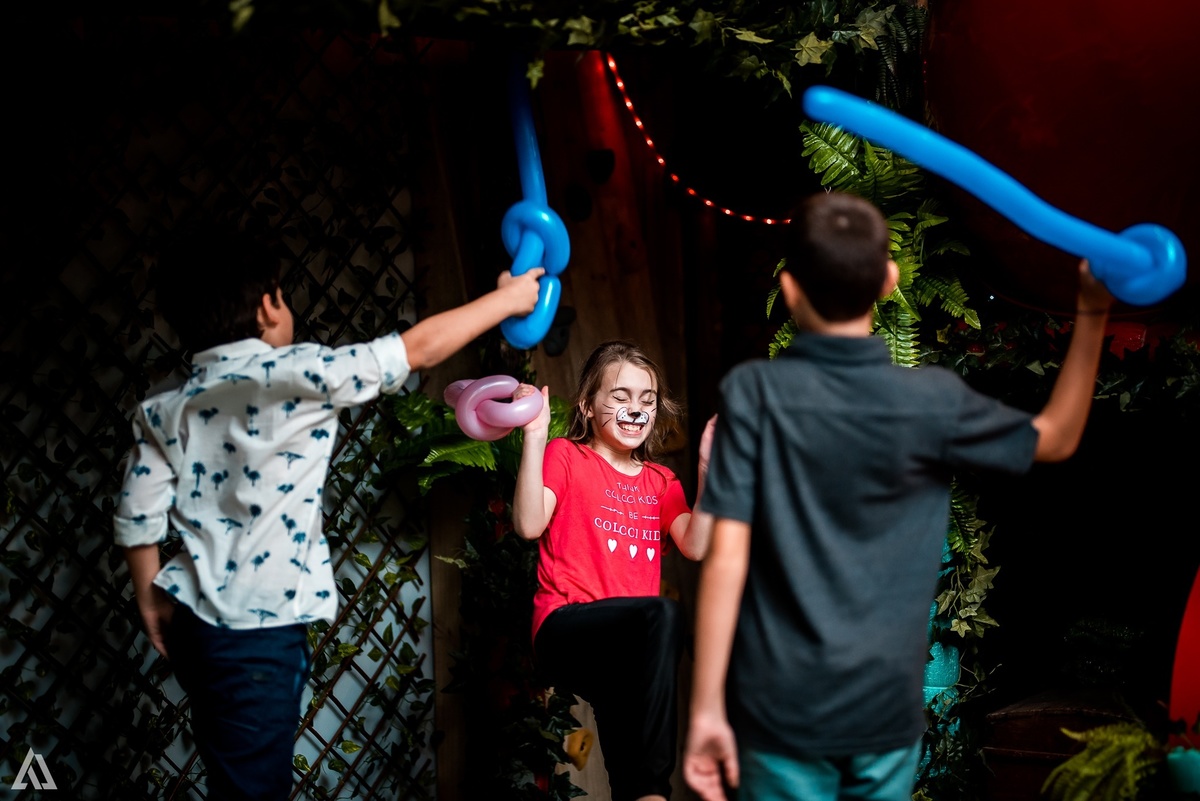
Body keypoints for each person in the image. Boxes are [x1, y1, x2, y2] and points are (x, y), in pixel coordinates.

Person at [683, 190, 1114, 801]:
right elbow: (1058, 436)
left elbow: (726, 558)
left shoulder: (755, 393)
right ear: (889, 281)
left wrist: (705, 711)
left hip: (781, 714)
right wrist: (1092, 313)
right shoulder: (931, 401)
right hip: (884, 717)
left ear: (789, 287)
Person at [112, 221, 543, 801]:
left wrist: (150, 598)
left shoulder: (166, 409)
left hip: (194, 624)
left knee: (231, 773)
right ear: (267, 308)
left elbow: (137, 515)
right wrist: (508, 300)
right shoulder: (303, 374)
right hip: (258, 634)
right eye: (282, 294)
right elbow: (419, 348)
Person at [512, 340, 716, 801]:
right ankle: (657, 792)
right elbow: (528, 524)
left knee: (630, 776)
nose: (636, 410)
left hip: (624, 650)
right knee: (663, 614)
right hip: (565, 629)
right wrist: (535, 436)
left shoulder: (661, 482)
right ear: (588, 405)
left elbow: (696, 544)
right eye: (620, 397)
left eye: (647, 399)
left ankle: (647, 793)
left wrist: (708, 469)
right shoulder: (568, 455)